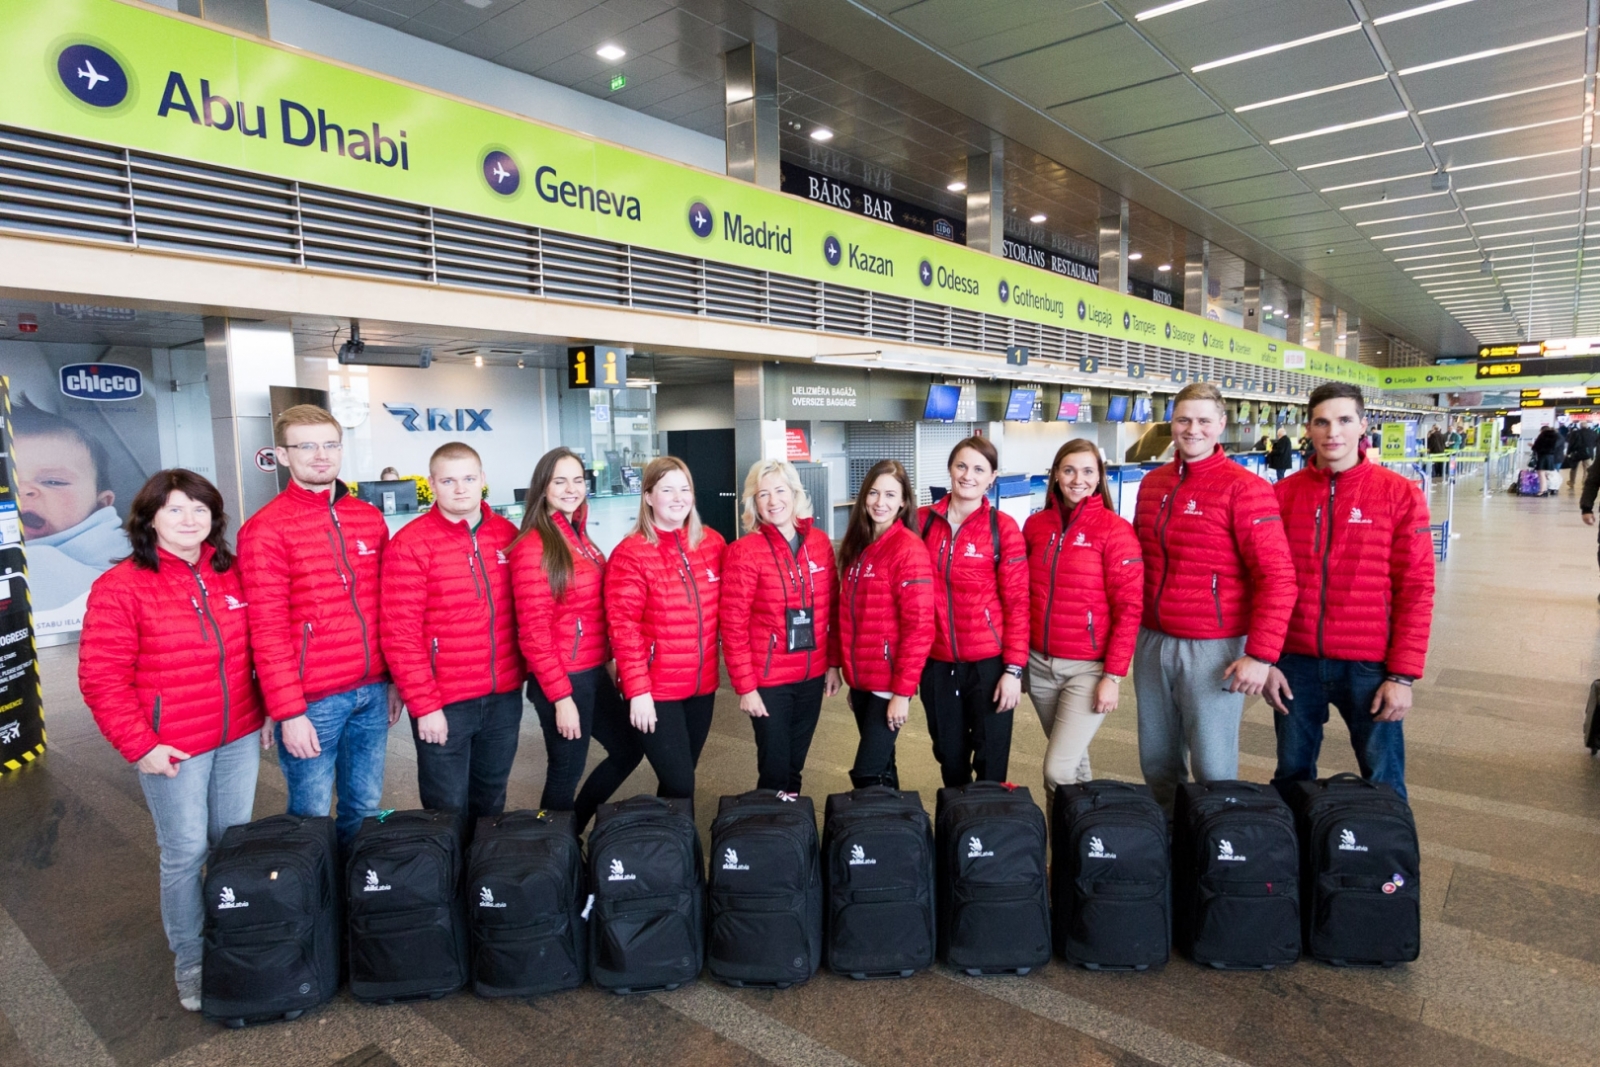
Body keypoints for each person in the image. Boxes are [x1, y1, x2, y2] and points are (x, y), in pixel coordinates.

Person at [78, 469, 266, 1012]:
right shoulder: (121, 586)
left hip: (235, 736)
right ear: (150, 518)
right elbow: (101, 678)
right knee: (185, 852)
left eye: (200, 510)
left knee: (231, 844)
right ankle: (191, 960)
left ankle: (230, 936)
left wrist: (269, 710)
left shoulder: (230, 575)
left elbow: (256, 652)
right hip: (173, 746)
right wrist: (140, 746)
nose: (190, 521)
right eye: (176, 510)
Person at [239, 404, 398, 849]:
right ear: (283, 456)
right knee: (309, 816)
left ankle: (357, 901)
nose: (321, 455)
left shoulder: (367, 517)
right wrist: (287, 711)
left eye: (330, 444)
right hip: (312, 701)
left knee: (365, 809)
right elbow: (266, 629)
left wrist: (393, 680)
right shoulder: (265, 530)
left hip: (372, 691)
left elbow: (387, 607)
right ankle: (313, 910)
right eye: (306, 446)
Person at [1265, 383, 1434, 800]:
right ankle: (1299, 860)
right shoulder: (1283, 496)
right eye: (1322, 422)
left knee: (1384, 780)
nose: (1332, 432)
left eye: (1344, 420)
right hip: (1295, 662)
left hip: (1369, 666)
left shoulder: (1398, 494)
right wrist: (1265, 657)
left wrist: (1402, 675)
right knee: (1292, 776)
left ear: (1363, 425)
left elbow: (1417, 588)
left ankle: (1390, 867)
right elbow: (1264, 582)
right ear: (1309, 428)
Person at [1132, 382, 1296, 808]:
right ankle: (1170, 844)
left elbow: (1278, 576)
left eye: (1204, 420)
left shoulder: (1245, 488)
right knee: (1157, 761)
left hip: (1213, 648)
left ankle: (1214, 851)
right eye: (1184, 419)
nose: (1193, 429)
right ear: (1172, 422)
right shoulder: (1152, 485)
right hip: (1151, 640)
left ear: (1221, 425)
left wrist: (1261, 655)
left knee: (1213, 767)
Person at [380, 442, 523, 828]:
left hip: (503, 695)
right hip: (444, 700)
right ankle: (447, 884)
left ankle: (484, 883)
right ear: (432, 484)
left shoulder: (508, 535)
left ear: (483, 480)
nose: (460, 489)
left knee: (492, 797)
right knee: (447, 805)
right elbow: (400, 634)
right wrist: (424, 706)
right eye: (449, 480)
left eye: (469, 479)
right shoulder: (410, 544)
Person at [512, 446, 637, 829]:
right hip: (564, 679)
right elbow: (533, 633)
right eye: (560, 481)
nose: (571, 489)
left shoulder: (579, 534)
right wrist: (561, 698)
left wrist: (611, 658)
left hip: (591, 672)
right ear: (543, 487)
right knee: (565, 771)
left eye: (578, 480)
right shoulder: (534, 546)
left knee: (628, 748)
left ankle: (572, 831)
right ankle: (551, 853)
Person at [1022, 440, 1142, 803]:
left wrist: (1113, 676)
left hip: (1087, 670)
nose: (1078, 480)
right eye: (1069, 470)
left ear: (1099, 477)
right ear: (1056, 475)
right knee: (1074, 765)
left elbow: (1129, 608)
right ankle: (1083, 849)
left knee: (1057, 771)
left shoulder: (1115, 530)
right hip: (1039, 665)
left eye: (1088, 471)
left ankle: (1066, 852)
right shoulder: (1035, 526)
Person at [605, 457, 726, 800]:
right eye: (667, 489)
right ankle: (675, 850)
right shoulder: (631, 554)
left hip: (702, 685)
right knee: (680, 783)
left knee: (681, 777)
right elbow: (623, 628)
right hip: (656, 689)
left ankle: (668, 849)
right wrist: (637, 691)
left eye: (684, 489)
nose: (678, 498)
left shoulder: (712, 543)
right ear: (647, 496)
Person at [721, 459, 842, 792]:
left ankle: (788, 834)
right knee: (774, 768)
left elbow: (832, 610)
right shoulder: (744, 552)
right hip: (768, 680)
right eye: (763, 494)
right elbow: (732, 626)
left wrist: (833, 664)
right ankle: (770, 833)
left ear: (794, 493)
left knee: (794, 766)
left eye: (780, 490)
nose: (773, 501)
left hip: (812, 674)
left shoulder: (819, 543)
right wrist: (745, 687)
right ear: (753, 503)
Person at [915, 437, 1028, 787]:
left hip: (989, 664)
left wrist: (1013, 670)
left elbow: (1018, 603)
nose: (968, 476)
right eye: (961, 466)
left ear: (992, 477)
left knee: (992, 759)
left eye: (979, 469)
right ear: (950, 469)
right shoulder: (921, 523)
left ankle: (990, 832)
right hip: (937, 662)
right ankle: (960, 833)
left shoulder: (1003, 528)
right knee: (950, 758)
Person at [833, 460, 935, 788]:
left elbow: (919, 628)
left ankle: (879, 832)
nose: (881, 502)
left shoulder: (908, 549)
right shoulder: (857, 546)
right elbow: (845, 614)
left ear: (904, 501)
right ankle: (892, 835)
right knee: (882, 770)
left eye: (891, 494)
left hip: (888, 683)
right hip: (862, 681)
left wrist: (902, 693)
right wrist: (844, 672)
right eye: (874, 493)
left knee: (866, 772)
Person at [11, 400, 129, 617]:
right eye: (7, 482)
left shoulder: (124, 553)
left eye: (53, 482)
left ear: (101, 504)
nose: (24, 491)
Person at [1530, 424, 1561, 496]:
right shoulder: (1555, 436)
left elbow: (1536, 447)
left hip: (1543, 456)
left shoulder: (1542, 436)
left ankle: (1542, 491)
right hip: (1550, 456)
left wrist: (1533, 446)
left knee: (1541, 474)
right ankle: (1545, 489)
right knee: (1545, 473)